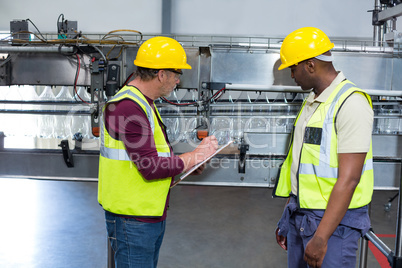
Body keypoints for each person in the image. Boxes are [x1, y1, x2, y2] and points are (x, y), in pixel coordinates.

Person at [98, 36, 218, 268]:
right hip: (132, 220)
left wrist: (185, 166)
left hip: (145, 213)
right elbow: (150, 167)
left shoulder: (143, 103)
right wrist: (194, 156)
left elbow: (153, 156)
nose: (178, 80)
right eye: (176, 74)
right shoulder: (127, 107)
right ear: (161, 74)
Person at [273, 27, 374, 268]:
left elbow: (349, 179)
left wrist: (321, 237)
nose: (291, 75)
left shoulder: (351, 103)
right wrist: (288, 215)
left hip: (332, 225)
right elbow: (302, 165)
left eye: (293, 68)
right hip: (303, 216)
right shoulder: (313, 102)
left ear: (310, 65)